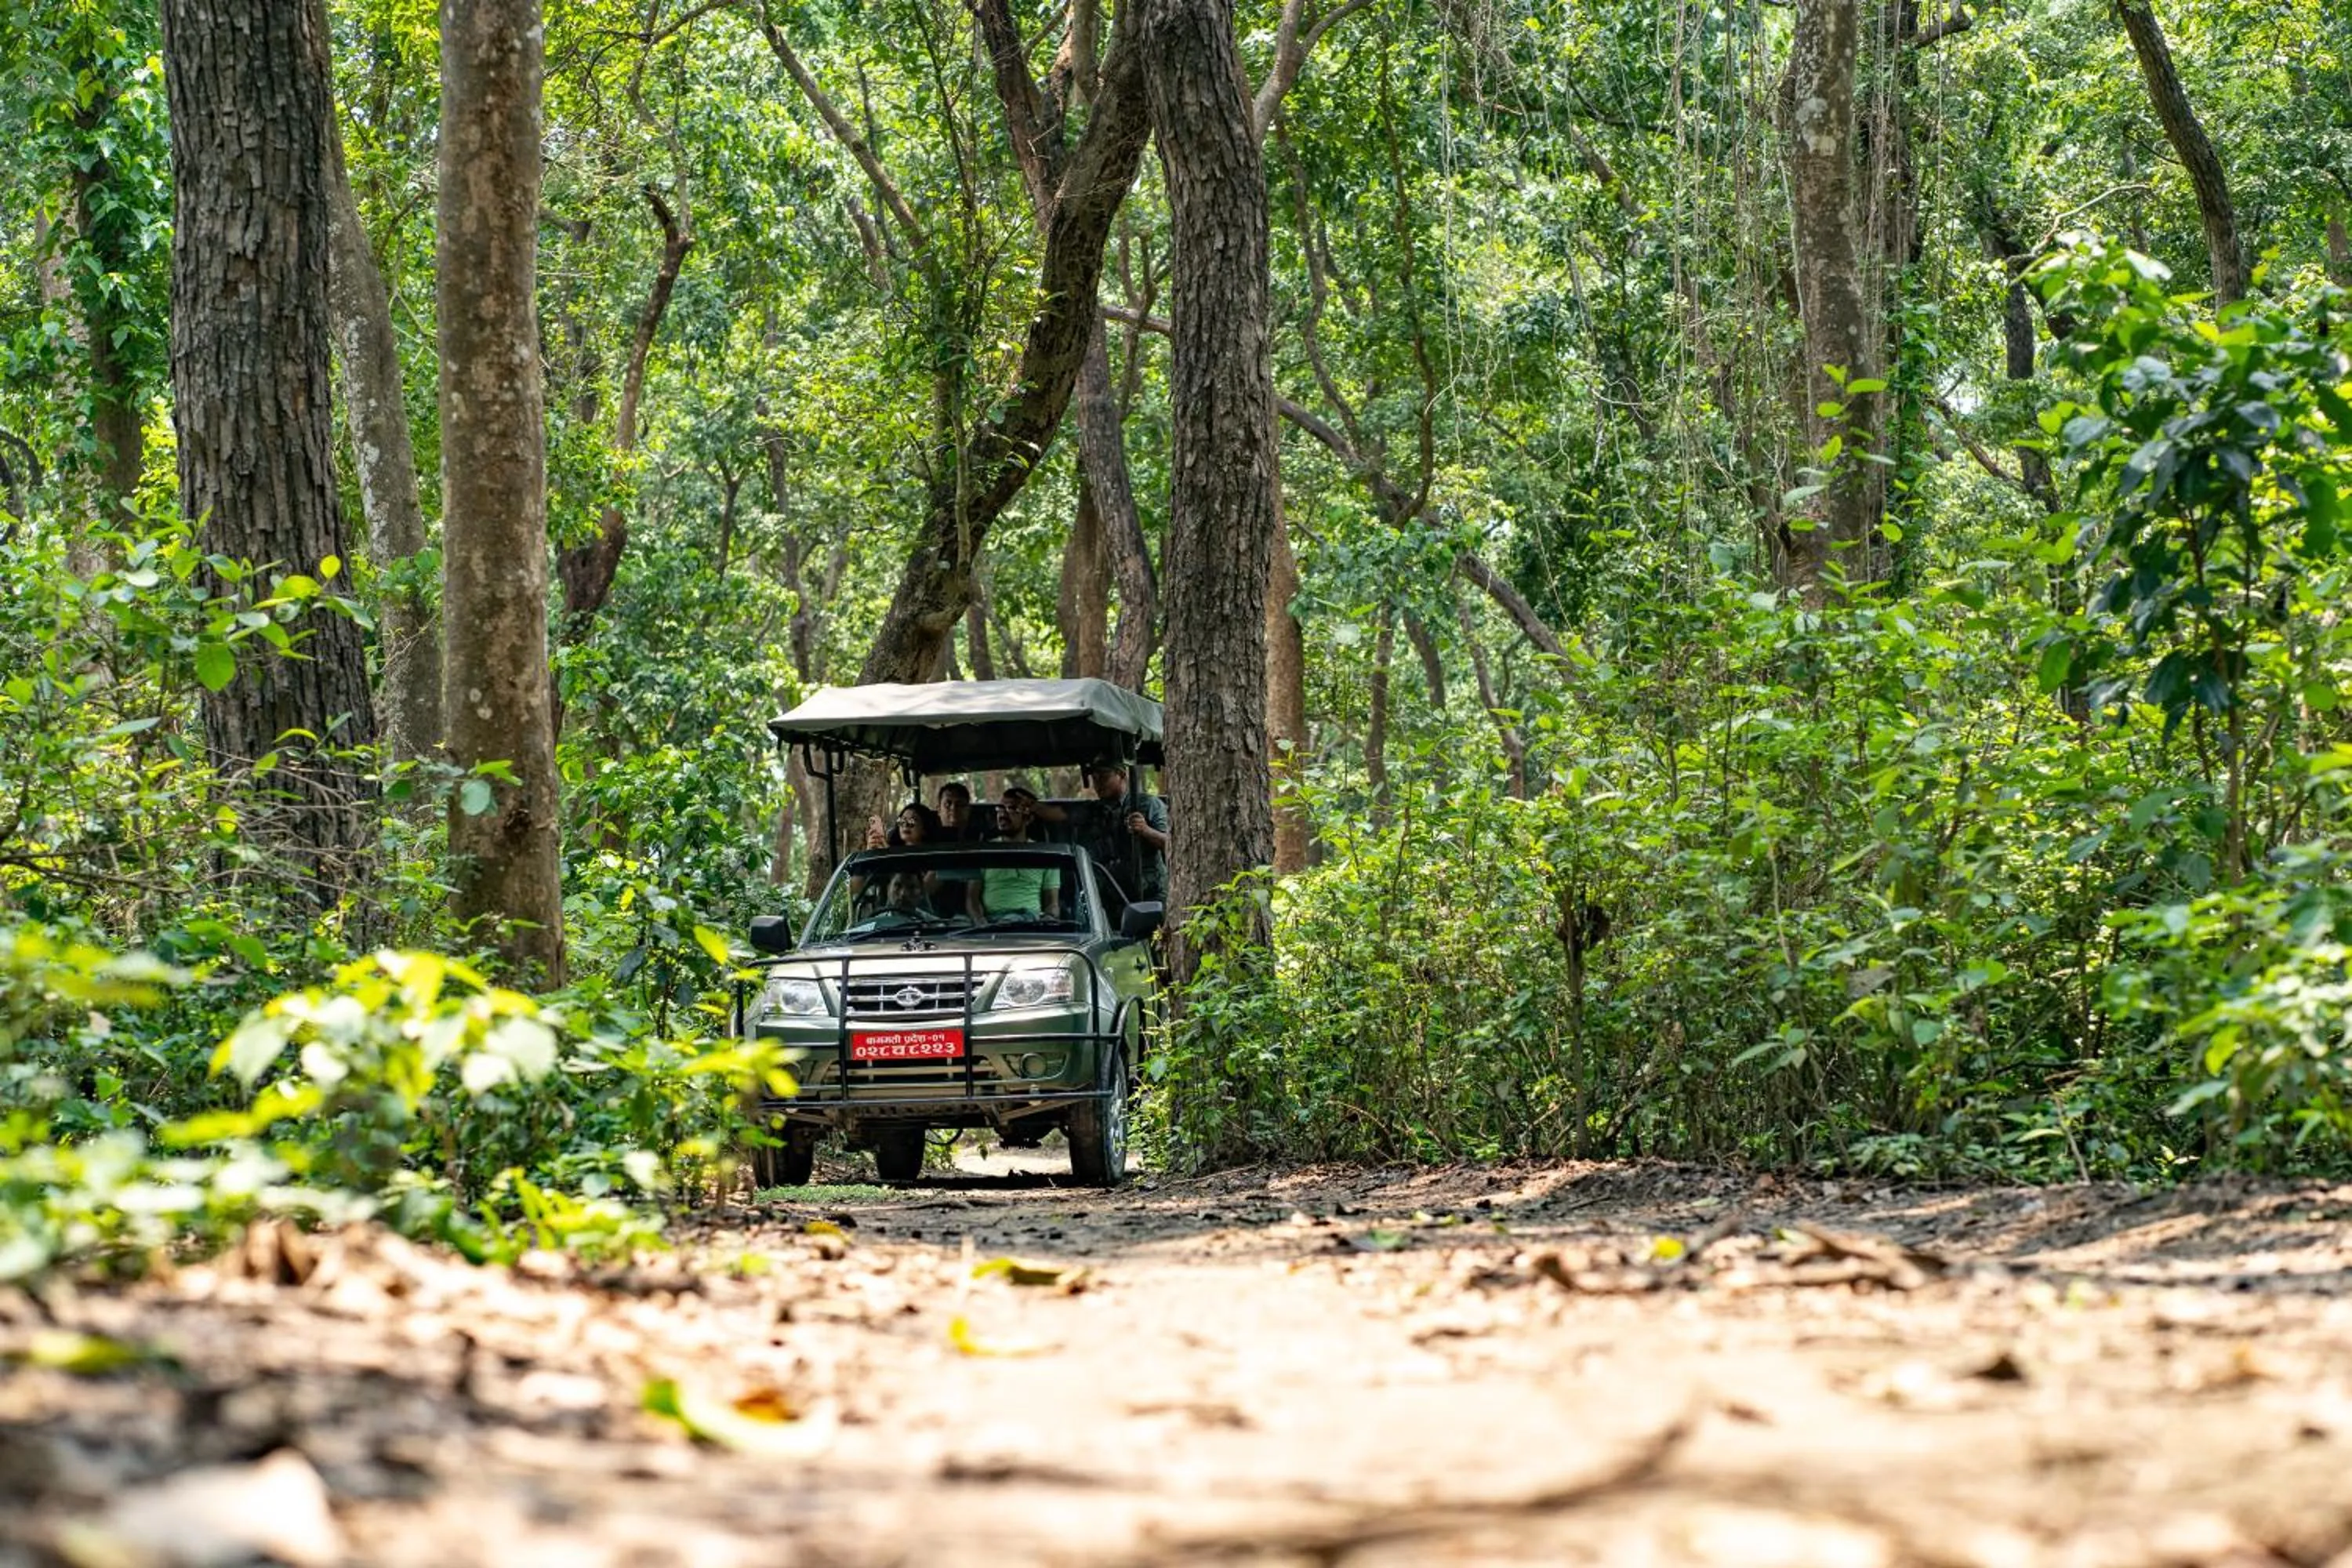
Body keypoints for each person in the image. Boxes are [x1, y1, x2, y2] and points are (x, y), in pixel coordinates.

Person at [1044, 757, 1167, 902]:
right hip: (1108, 895)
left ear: (1121, 775)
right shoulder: (1092, 811)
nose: (1098, 783)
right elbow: (1060, 814)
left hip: (1149, 894)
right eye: (1094, 778)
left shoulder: (1149, 804)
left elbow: (1169, 844)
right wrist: (1031, 806)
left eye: (1104, 776)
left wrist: (1146, 831)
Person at [967, 786, 1059, 923]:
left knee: (1013, 919)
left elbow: (1052, 903)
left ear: (1028, 819)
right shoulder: (983, 851)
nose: (1003, 814)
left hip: (1029, 921)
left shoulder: (1047, 855)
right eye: (1000, 809)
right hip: (989, 924)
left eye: (1011, 809)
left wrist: (1049, 918)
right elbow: (971, 899)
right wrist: (979, 921)